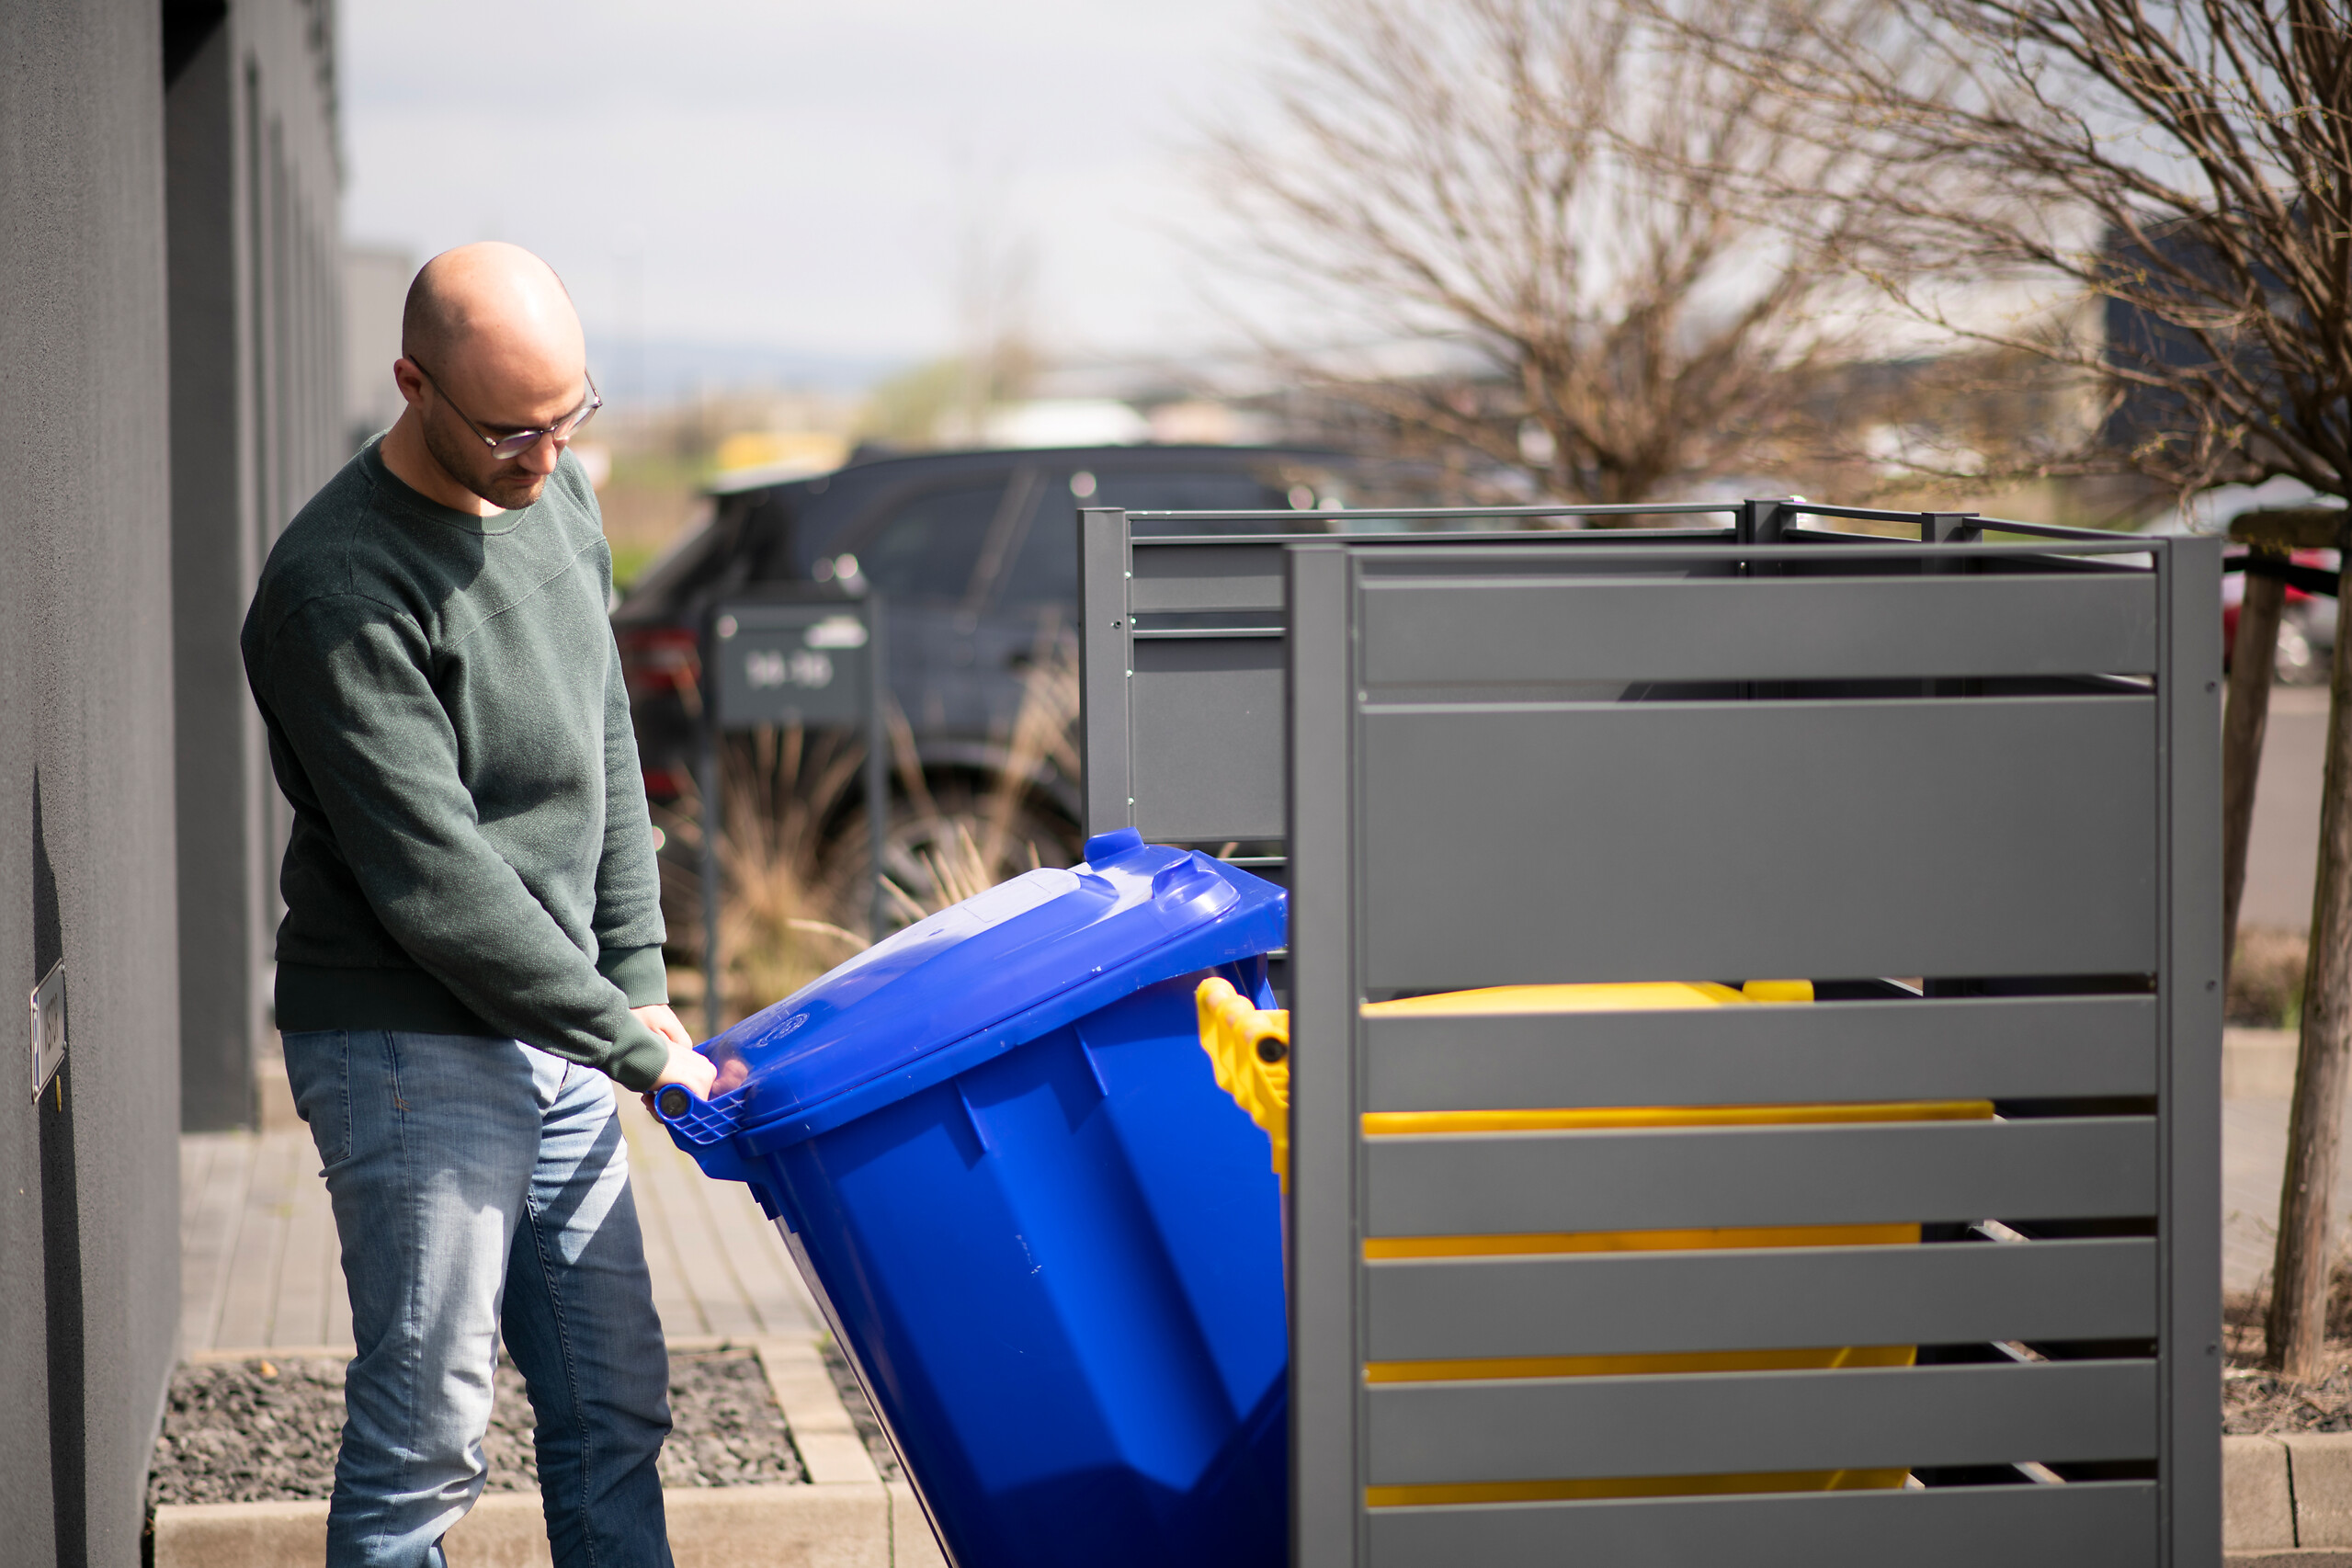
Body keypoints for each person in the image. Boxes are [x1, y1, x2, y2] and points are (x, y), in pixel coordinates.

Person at [241, 242, 717, 1568]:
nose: (547, 458)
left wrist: (638, 979)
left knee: (614, 1401)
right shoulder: (337, 589)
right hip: (409, 1040)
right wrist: (630, 1045)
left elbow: (602, 736)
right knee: (427, 1439)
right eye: (513, 429)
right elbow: (439, 885)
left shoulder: (554, 498)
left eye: (572, 419)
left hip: (552, 1021)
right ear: (411, 383)